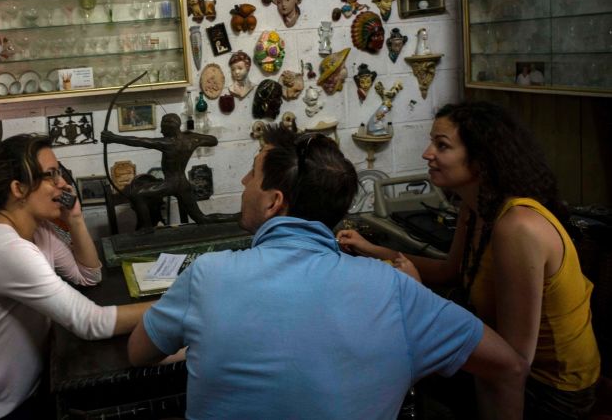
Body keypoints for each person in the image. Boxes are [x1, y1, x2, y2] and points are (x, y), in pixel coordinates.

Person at [128, 124, 528, 419]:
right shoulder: (395, 290)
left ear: (274, 203)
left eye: (252, 173)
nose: (244, 181)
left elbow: (139, 351)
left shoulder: (207, 276)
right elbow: (509, 366)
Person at [337, 101, 601, 419]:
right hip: (514, 372)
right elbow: (449, 272)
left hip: (550, 390)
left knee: (394, 365)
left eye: (442, 145)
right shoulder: (474, 208)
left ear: (481, 160)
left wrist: (417, 297)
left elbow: (513, 363)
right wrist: (371, 249)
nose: (427, 154)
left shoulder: (518, 227)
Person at [0, 134, 151, 419]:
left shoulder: (38, 232)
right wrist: (179, 303)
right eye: (50, 175)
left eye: (59, 173)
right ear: (18, 188)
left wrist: (75, 219)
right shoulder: (5, 250)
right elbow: (91, 322)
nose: (62, 183)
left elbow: (89, 275)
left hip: (21, 394)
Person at [101, 113, 220, 228]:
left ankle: (147, 228)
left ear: (170, 129)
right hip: (184, 184)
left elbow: (138, 141)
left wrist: (113, 138)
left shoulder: (167, 143)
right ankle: (235, 216)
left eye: (163, 129)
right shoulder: (192, 139)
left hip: (171, 184)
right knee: (202, 219)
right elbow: (213, 140)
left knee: (136, 194)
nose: (161, 132)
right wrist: (190, 134)